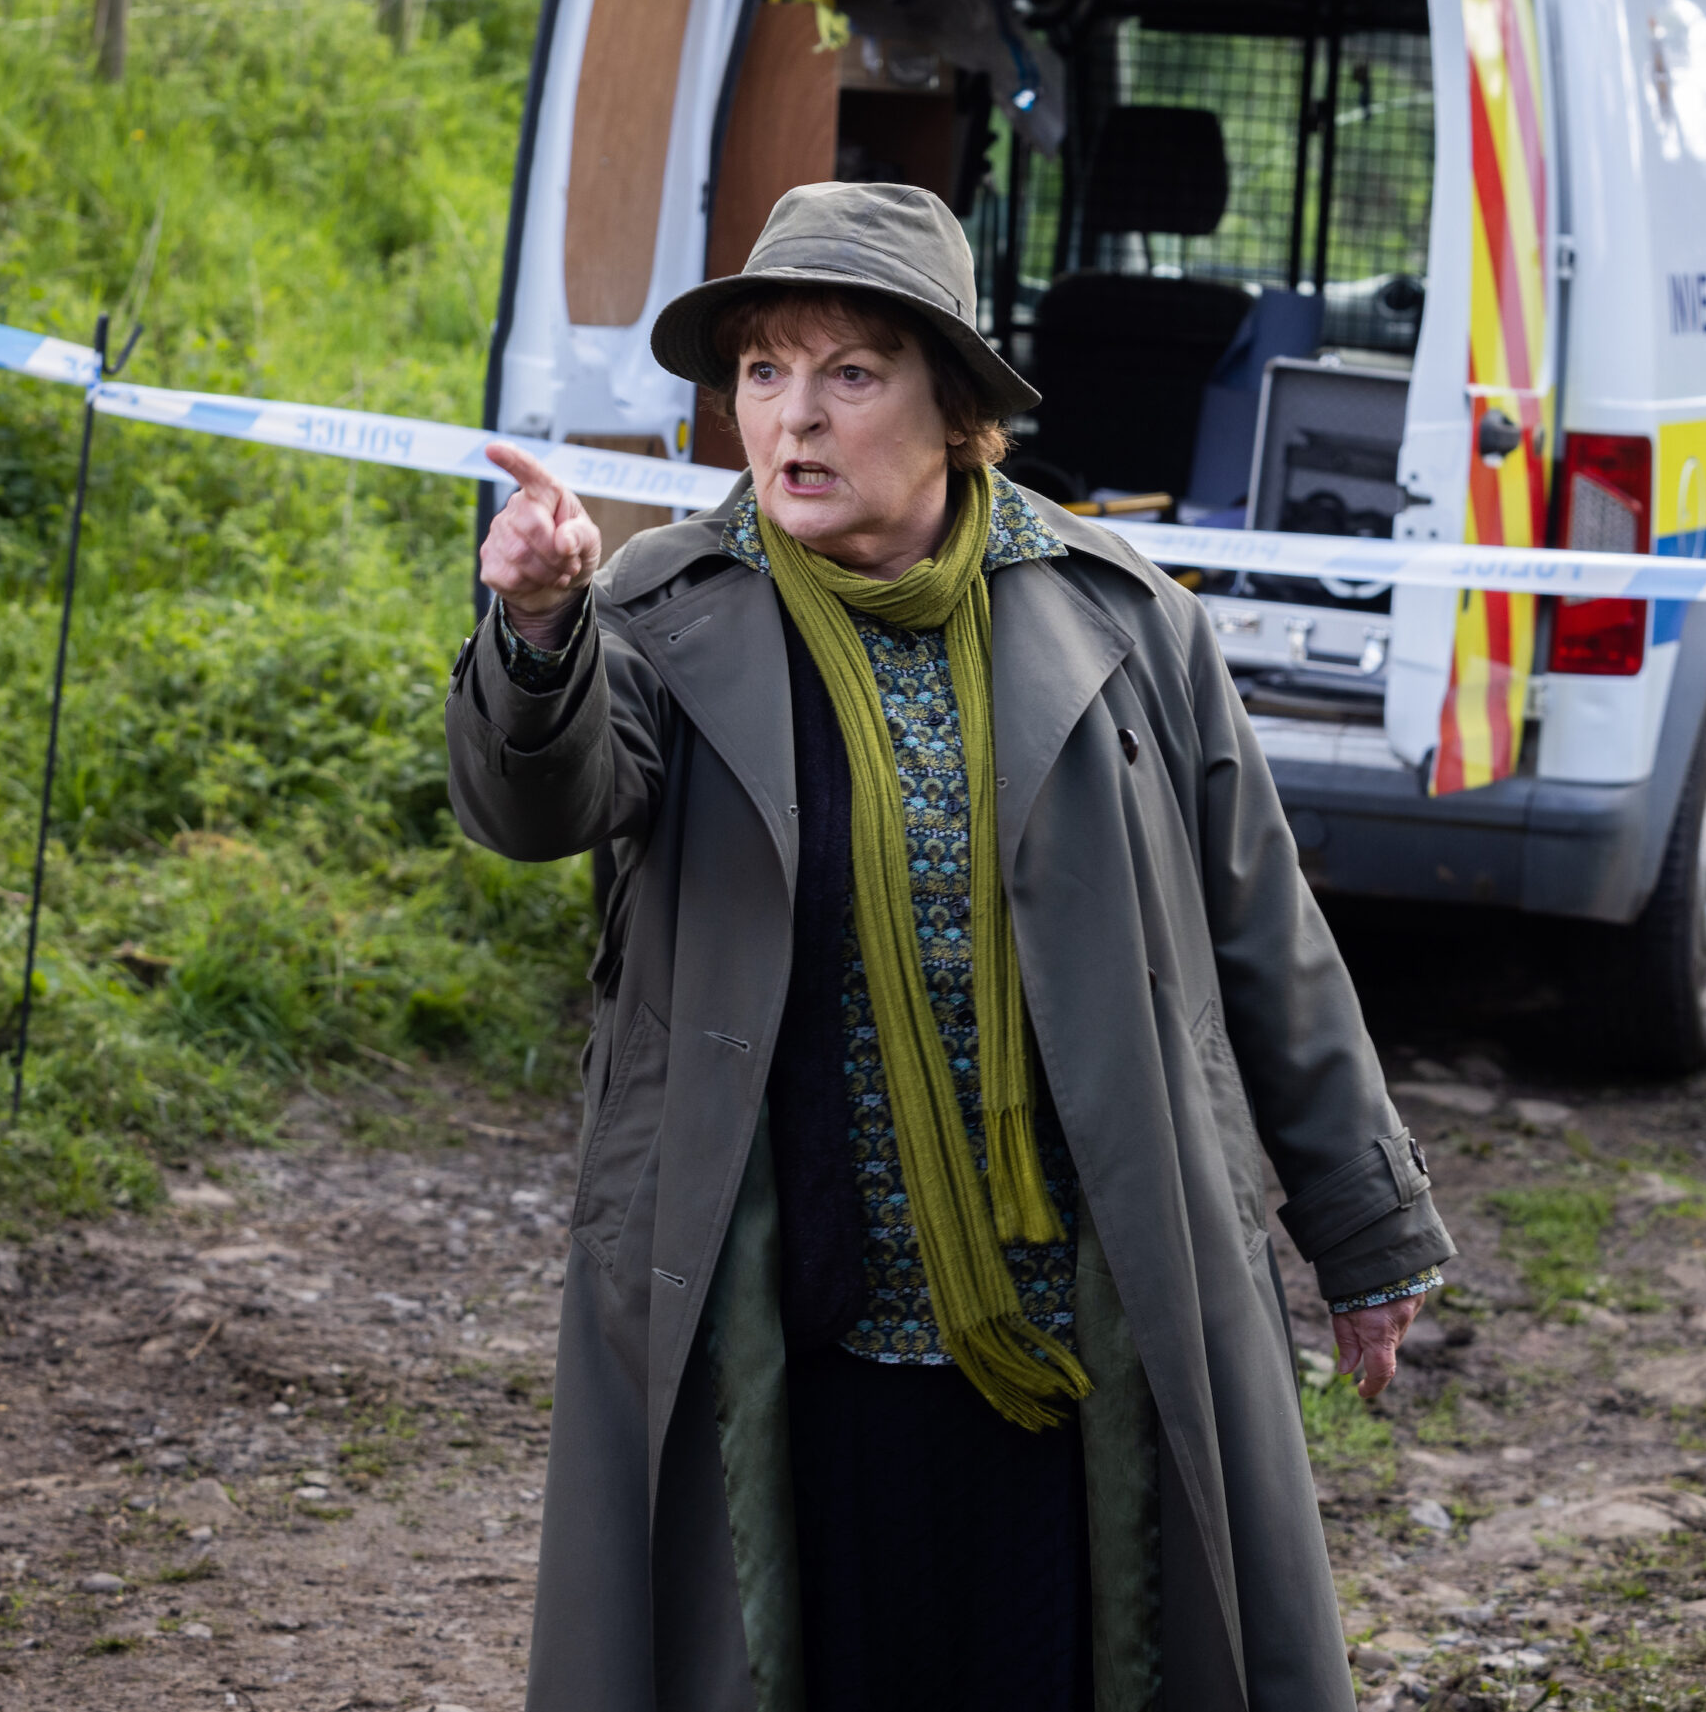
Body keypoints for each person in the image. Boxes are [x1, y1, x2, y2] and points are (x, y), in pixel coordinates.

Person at [446, 180, 1452, 1712]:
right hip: (788, 1333)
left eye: (850, 373)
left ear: (957, 404)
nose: (793, 418)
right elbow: (541, 799)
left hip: (1071, 1332)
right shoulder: (662, 613)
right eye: (764, 373)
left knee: (1071, 1658)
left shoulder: (1126, 626)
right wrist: (535, 636)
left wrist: (1363, 1230)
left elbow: (1267, 935)